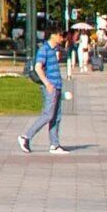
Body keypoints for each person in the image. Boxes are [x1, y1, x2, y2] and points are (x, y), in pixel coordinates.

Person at [22, 26, 72, 155]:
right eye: (61, 35)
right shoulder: (44, 49)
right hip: (51, 86)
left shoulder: (55, 49)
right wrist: (47, 83)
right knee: (48, 115)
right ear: (53, 35)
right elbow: (38, 67)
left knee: (56, 116)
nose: (62, 38)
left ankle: (54, 145)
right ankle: (26, 137)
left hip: (57, 85)